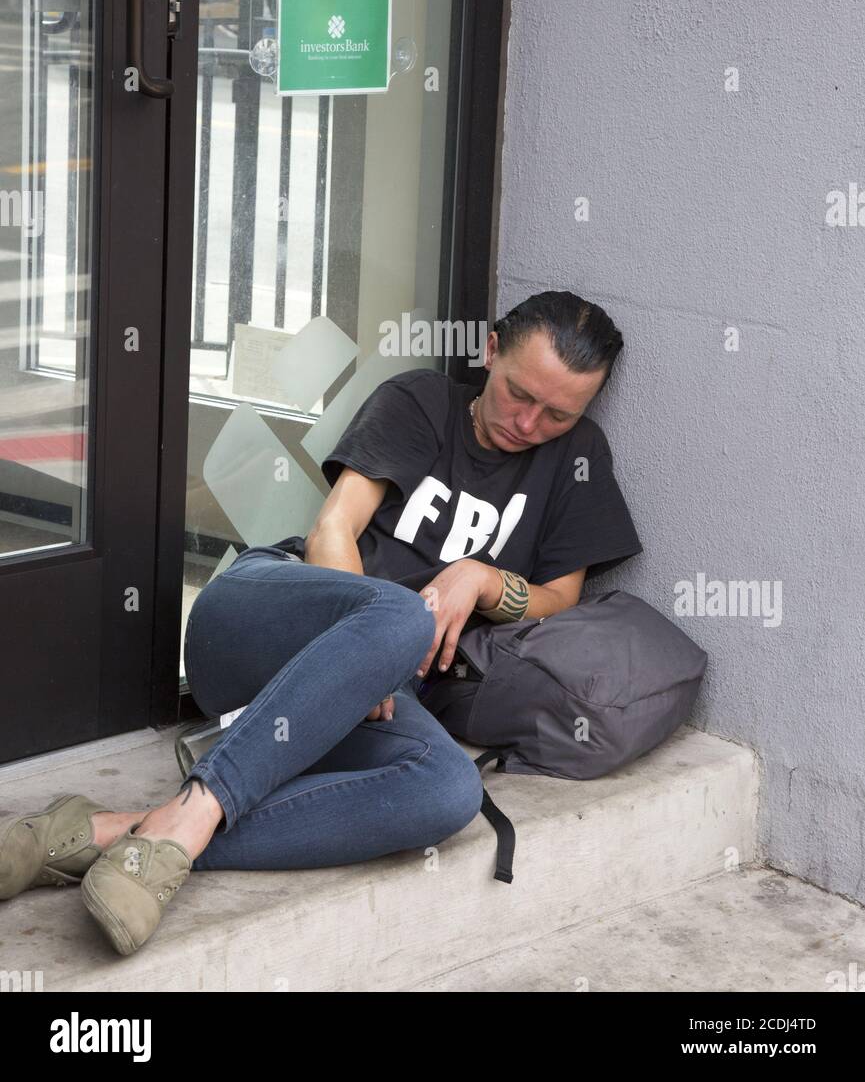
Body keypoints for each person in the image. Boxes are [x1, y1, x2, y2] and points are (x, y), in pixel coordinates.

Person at [1, 291, 643, 955]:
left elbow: (559, 597)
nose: (529, 422)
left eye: (557, 414)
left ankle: (115, 834)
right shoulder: (422, 402)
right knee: (398, 614)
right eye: (518, 393)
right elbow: (334, 527)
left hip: (364, 705)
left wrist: (480, 577)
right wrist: (371, 654)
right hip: (263, 620)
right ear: (489, 351)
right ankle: (184, 821)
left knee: (449, 791)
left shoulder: (577, 459)